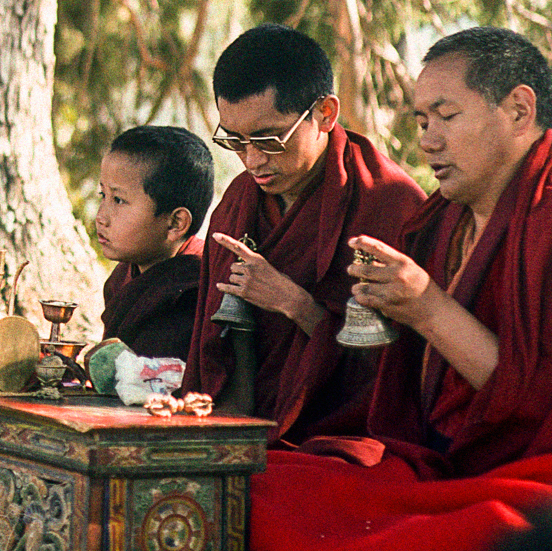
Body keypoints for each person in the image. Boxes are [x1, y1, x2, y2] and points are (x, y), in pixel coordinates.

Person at [244, 27, 552, 551]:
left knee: (483, 545)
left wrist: (428, 307)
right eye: (420, 121)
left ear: (518, 109)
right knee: (264, 481)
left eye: (445, 116)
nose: (428, 140)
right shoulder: (439, 222)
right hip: (449, 467)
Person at [180, 24, 425, 443]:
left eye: (269, 139)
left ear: (325, 114)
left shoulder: (388, 203)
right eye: (235, 142)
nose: (252, 160)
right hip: (249, 430)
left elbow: (402, 375)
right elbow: (219, 359)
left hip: (346, 436)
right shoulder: (239, 202)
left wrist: (295, 304)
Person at [97, 125, 213, 360]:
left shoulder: (194, 291)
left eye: (119, 200)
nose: (101, 216)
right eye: (103, 195)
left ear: (175, 223)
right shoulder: (122, 278)